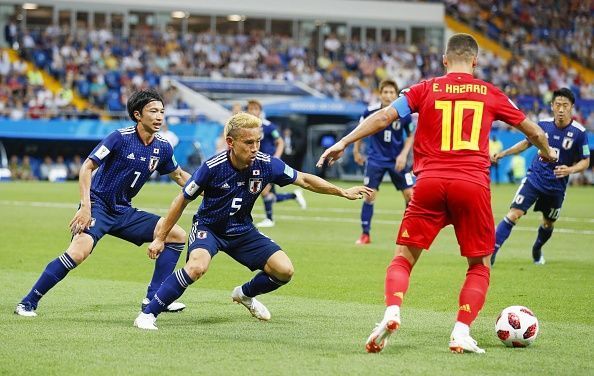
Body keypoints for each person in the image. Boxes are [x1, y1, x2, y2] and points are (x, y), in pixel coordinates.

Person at [317, 33, 556, 354]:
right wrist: (549, 152)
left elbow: (385, 115)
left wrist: (343, 142)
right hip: (471, 185)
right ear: (475, 61)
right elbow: (535, 130)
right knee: (479, 265)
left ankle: (391, 313)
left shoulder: (425, 88)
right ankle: (460, 331)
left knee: (403, 258)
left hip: (428, 184)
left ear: (445, 60)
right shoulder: (490, 93)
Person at [133, 112, 372, 330]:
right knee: (196, 267)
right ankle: (148, 314)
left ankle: (245, 294)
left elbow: (305, 180)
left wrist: (342, 192)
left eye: (257, 141)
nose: (255, 148)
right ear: (231, 142)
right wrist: (160, 238)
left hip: (242, 229)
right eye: (249, 143)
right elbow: (181, 200)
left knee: (284, 271)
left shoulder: (267, 164)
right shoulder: (211, 168)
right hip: (210, 228)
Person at [15, 89, 192, 317]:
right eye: (153, 111)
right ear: (138, 115)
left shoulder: (163, 147)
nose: (159, 117)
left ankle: (154, 298)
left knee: (176, 235)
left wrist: (207, 188)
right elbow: (87, 167)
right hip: (98, 206)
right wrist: (85, 206)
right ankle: (28, 302)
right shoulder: (120, 137)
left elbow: (179, 176)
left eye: (162, 112)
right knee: (78, 253)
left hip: (123, 211)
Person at [490, 88, 590, 266]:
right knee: (514, 214)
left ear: (571, 107)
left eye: (565, 105)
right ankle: (491, 254)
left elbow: (585, 161)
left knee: (547, 223)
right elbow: (526, 143)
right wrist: (504, 153)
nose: (561, 109)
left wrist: (570, 170)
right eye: (557, 105)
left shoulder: (579, 132)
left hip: (556, 187)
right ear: (551, 106)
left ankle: (537, 250)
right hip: (535, 179)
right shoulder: (542, 125)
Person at [352, 79, 415, 245]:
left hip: (397, 160)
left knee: (411, 195)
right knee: (369, 195)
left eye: (391, 92)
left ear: (396, 95)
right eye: (385, 92)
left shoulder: (404, 113)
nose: (388, 95)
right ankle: (365, 234)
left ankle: (408, 233)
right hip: (376, 160)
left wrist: (403, 155)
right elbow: (359, 131)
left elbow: (410, 136)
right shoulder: (369, 111)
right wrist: (356, 150)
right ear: (380, 94)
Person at [246, 99, 306, 228]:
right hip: (255, 163)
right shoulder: (246, 127)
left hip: (267, 163)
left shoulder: (268, 126)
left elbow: (280, 142)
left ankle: (269, 219)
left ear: (260, 111)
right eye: (250, 109)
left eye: (255, 109)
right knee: (268, 194)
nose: (252, 111)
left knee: (263, 191)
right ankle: (293, 195)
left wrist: (276, 158)